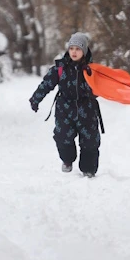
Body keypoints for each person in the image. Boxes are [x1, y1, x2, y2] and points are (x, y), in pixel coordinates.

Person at [29, 32, 102, 178]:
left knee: (90, 141)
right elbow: (47, 84)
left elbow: (105, 87)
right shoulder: (60, 68)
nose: (74, 52)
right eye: (72, 48)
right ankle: (67, 160)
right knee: (63, 137)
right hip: (65, 109)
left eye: (78, 49)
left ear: (84, 51)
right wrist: (36, 99)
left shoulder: (92, 70)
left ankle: (88, 169)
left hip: (86, 109)